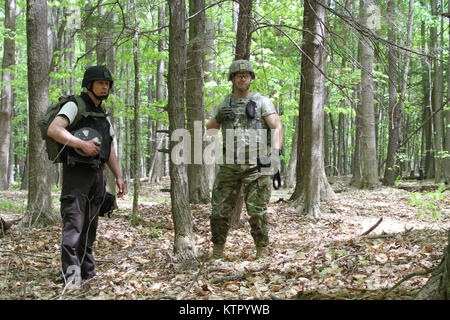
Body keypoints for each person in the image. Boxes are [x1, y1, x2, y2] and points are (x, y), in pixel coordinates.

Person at [47, 65, 126, 287]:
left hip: (97, 176)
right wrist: (81, 144)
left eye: (107, 84)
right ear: (89, 84)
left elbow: (108, 148)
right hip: (76, 175)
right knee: (74, 226)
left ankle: (87, 273)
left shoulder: (102, 114)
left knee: (90, 227)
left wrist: (118, 176)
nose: (105, 87)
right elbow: (54, 129)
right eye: (100, 83)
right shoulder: (75, 105)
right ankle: (71, 278)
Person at [206, 60, 283, 260]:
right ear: (232, 78)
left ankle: (262, 251)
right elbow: (210, 130)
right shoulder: (225, 102)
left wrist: (274, 154)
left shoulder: (262, 101)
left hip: (258, 163)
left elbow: (277, 127)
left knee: (258, 212)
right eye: (238, 75)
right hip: (230, 163)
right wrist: (218, 118)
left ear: (251, 78)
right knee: (218, 212)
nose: (242, 78)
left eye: (246, 75)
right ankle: (218, 250)